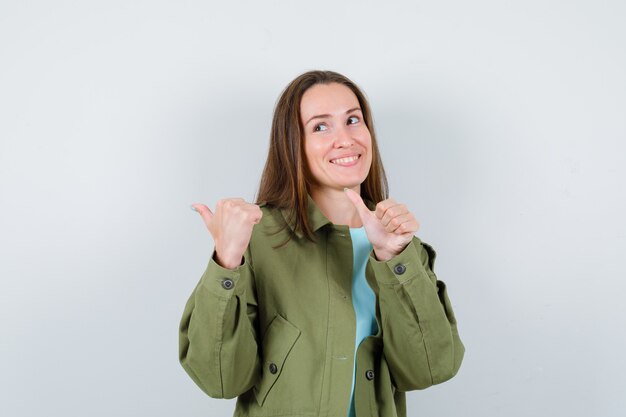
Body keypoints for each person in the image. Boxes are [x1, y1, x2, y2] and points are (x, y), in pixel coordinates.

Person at [179, 70, 464, 417]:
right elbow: (219, 380)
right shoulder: (257, 237)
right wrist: (226, 261)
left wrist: (395, 259)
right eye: (320, 126)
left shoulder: (402, 245)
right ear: (292, 144)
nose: (345, 139)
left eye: (353, 120)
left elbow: (430, 369)